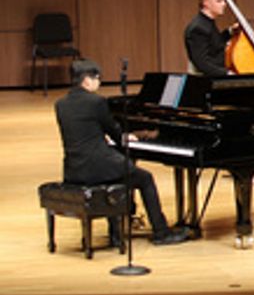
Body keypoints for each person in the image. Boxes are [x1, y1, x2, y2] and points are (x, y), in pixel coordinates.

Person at [54, 59, 189, 246]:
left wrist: (102, 138)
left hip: (74, 169)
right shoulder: (97, 102)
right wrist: (127, 136)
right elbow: (116, 134)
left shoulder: (60, 104)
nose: (99, 83)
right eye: (97, 79)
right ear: (86, 81)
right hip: (98, 167)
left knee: (119, 170)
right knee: (145, 179)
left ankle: (116, 234)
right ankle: (161, 232)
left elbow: (81, 131)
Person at [184, 0, 230, 76]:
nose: (224, 4)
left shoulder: (207, 23)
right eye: (219, 1)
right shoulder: (198, 28)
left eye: (224, 1)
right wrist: (227, 74)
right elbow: (202, 63)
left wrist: (230, 32)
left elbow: (214, 44)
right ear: (205, 3)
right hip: (205, 82)